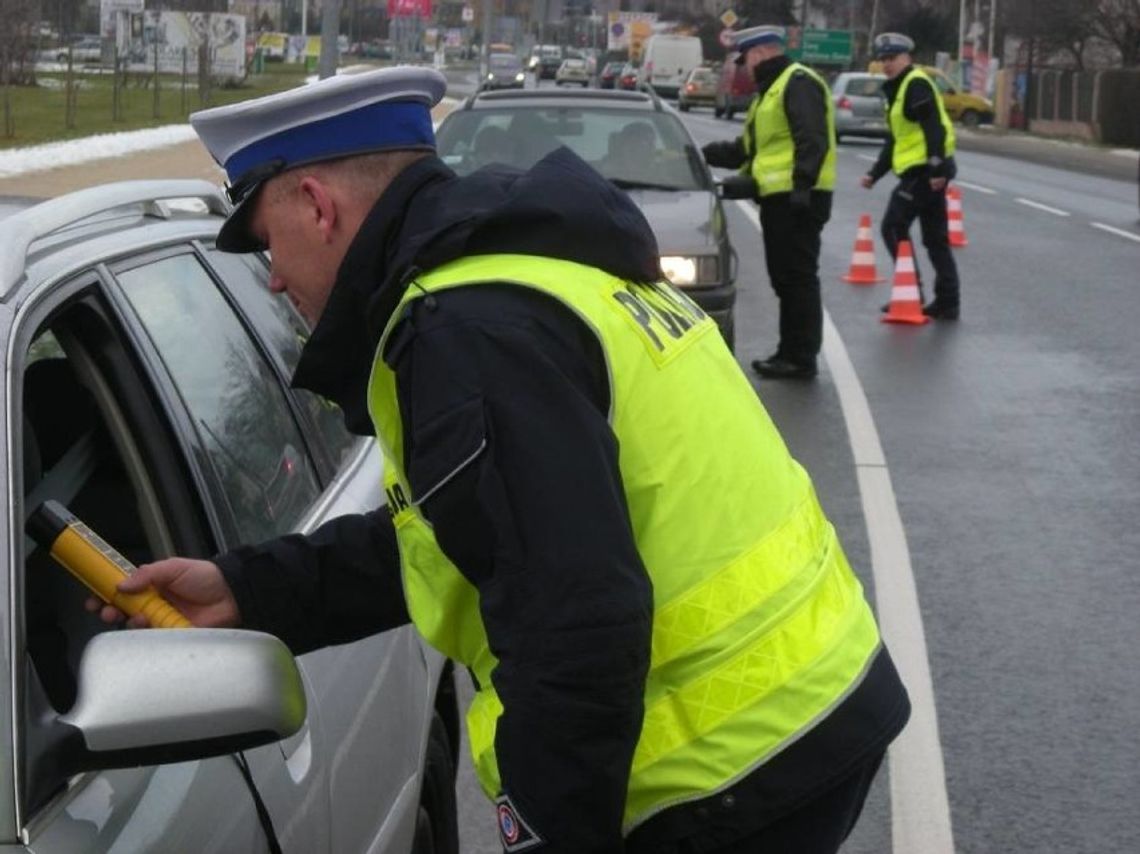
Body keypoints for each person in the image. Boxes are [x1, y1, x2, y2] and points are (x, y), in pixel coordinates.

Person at [99, 66, 910, 853]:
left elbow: (574, 628)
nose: (272, 280)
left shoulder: (468, 331)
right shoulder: (537, 269)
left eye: (266, 242)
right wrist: (247, 589)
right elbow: (477, 529)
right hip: (802, 706)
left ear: (316, 207)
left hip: (728, 765)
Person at [700, 25, 837, 381]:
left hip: (798, 200)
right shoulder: (770, 92)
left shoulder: (797, 82)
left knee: (798, 278)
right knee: (786, 278)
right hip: (782, 199)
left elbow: (813, 139)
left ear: (760, 53)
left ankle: (800, 357)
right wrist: (702, 155)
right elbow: (750, 151)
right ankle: (790, 351)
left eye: (745, 60)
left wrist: (802, 188)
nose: (745, 68)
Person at [860, 32, 961, 320]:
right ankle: (948, 301)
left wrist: (937, 168)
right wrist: (874, 174)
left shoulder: (915, 85)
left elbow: (934, 128)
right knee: (935, 238)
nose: (887, 64)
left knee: (892, 227)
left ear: (907, 58)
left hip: (925, 172)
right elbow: (896, 140)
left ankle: (912, 293)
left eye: (892, 58)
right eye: (883, 60)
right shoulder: (899, 88)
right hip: (923, 171)